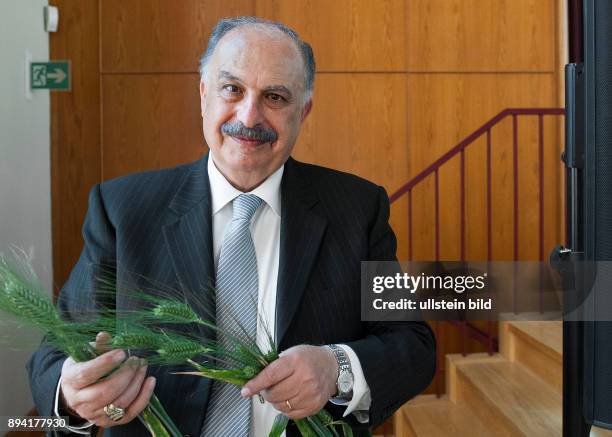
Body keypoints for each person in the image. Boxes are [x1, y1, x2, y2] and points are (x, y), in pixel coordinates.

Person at [27, 16, 435, 437]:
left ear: (304, 111)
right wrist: (73, 395)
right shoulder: (122, 210)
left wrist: (337, 368)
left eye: (275, 96)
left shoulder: (358, 208)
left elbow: (412, 345)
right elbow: (56, 354)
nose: (249, 115)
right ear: (204, 94)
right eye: (232, 89)